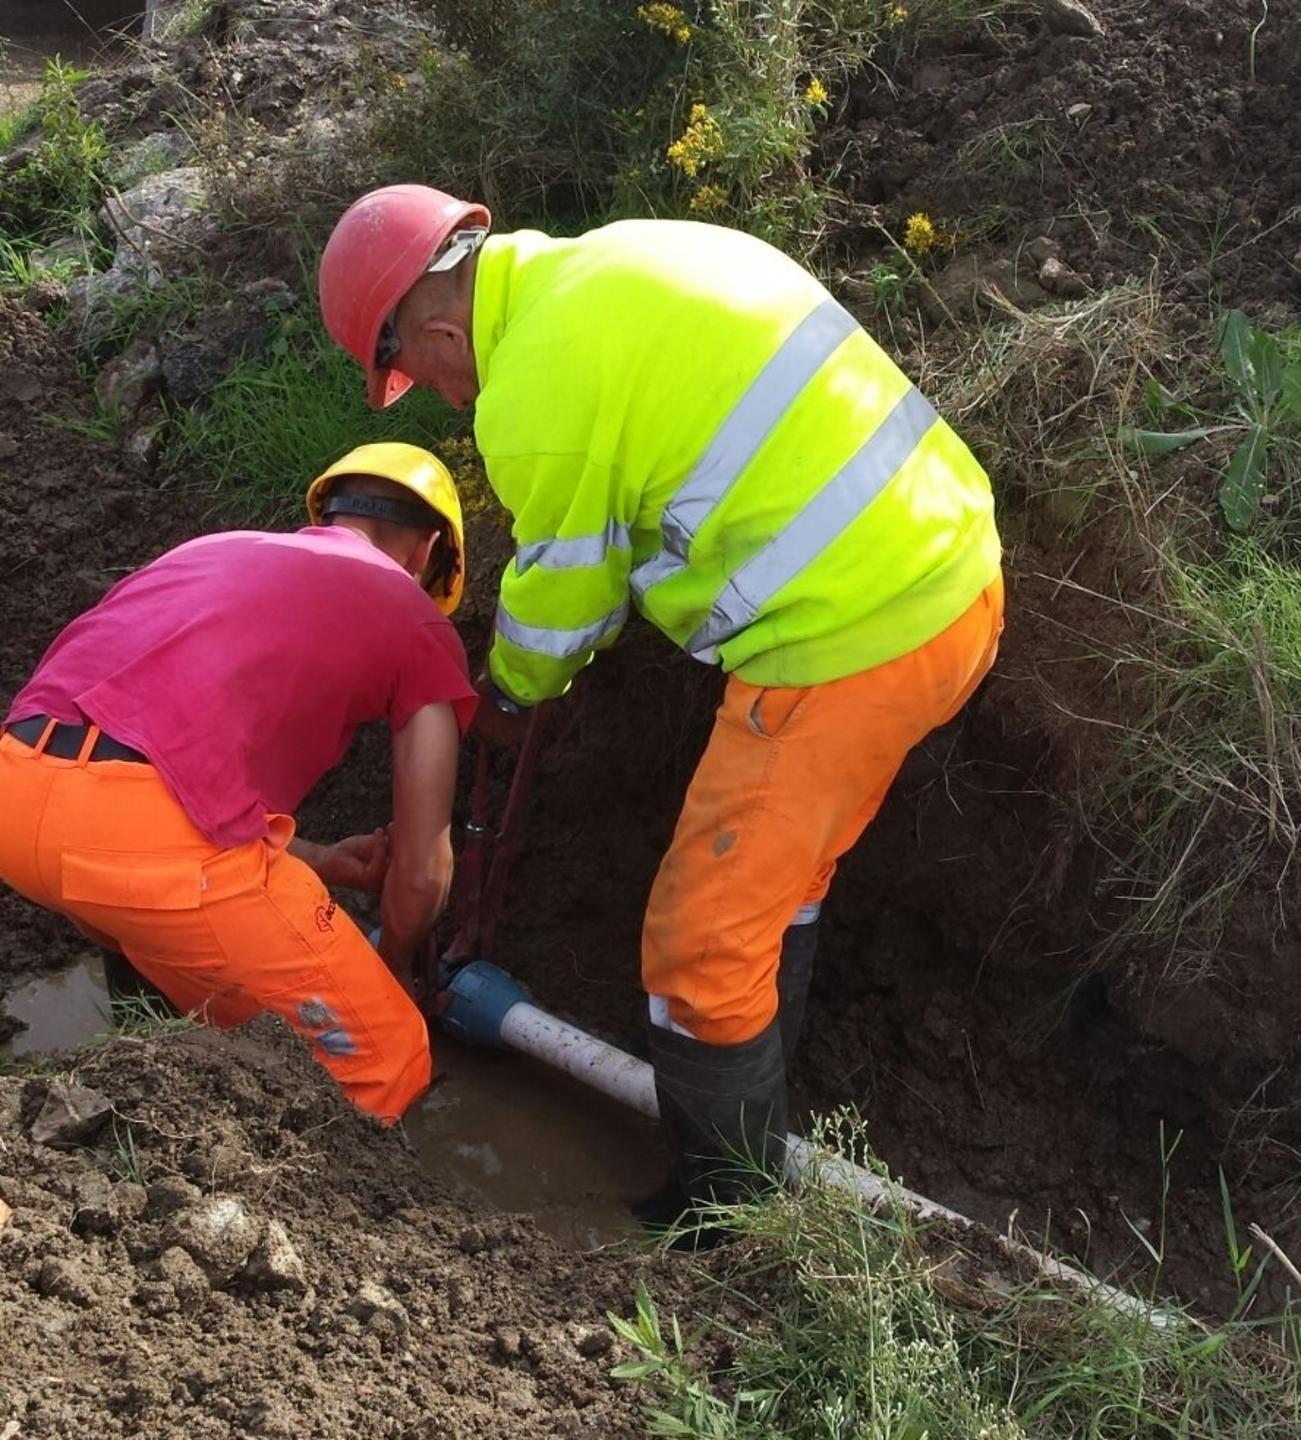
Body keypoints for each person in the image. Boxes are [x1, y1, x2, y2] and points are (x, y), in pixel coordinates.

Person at [319, 187, 1003, 1217]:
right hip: (952, 579)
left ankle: (727, 1214)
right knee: (778, 885)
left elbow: (562, 597)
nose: (442, 397)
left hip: (847, 638)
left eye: (417, 373)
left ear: (439, 326)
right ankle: (757, 1079)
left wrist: (504, 692)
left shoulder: (530, 394)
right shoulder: (629, 258)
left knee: (694, 951)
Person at [0, 443, 476, 1123]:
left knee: (212, 977)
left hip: (17, 795)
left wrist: (316, 860)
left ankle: (183, 1102)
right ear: (427, 553)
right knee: (389, 1059)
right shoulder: (417, 618)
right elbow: (424, 869)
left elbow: (143, 739)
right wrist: (393, 966)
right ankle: (322, 1213)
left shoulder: (211, 549)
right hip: (141, 845)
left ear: (327, 514)